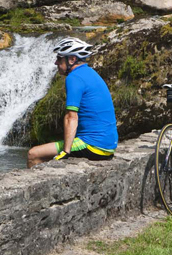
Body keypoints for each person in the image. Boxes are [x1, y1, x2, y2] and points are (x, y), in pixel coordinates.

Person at [27, 37, 118, 168]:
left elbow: (71, 117)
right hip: (107, 144)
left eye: (59, 58)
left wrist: (66, 151)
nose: (55, 63)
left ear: (72, 59)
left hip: (94, 146)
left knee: (33, 154)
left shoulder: (74, 78)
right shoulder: (90, 72)